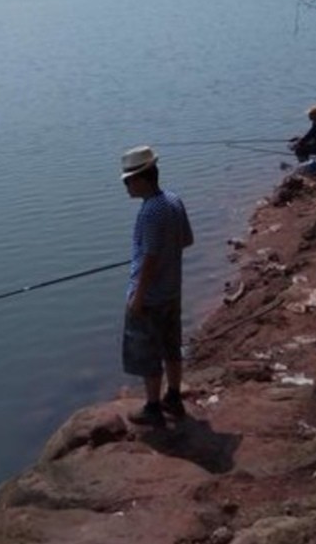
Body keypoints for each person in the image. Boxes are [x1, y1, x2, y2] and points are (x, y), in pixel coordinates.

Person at [120, 145, 194, 427]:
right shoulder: (173, 200)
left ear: (142, 179)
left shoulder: (150, 211)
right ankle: (173, 397)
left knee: (147, 352)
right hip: (172, 291)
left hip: (150, 297)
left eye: (129, 180)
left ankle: (153, 408)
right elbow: (186, 240)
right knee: (171, 346)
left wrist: (138, 297)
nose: (126, 186)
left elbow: (149, 259)